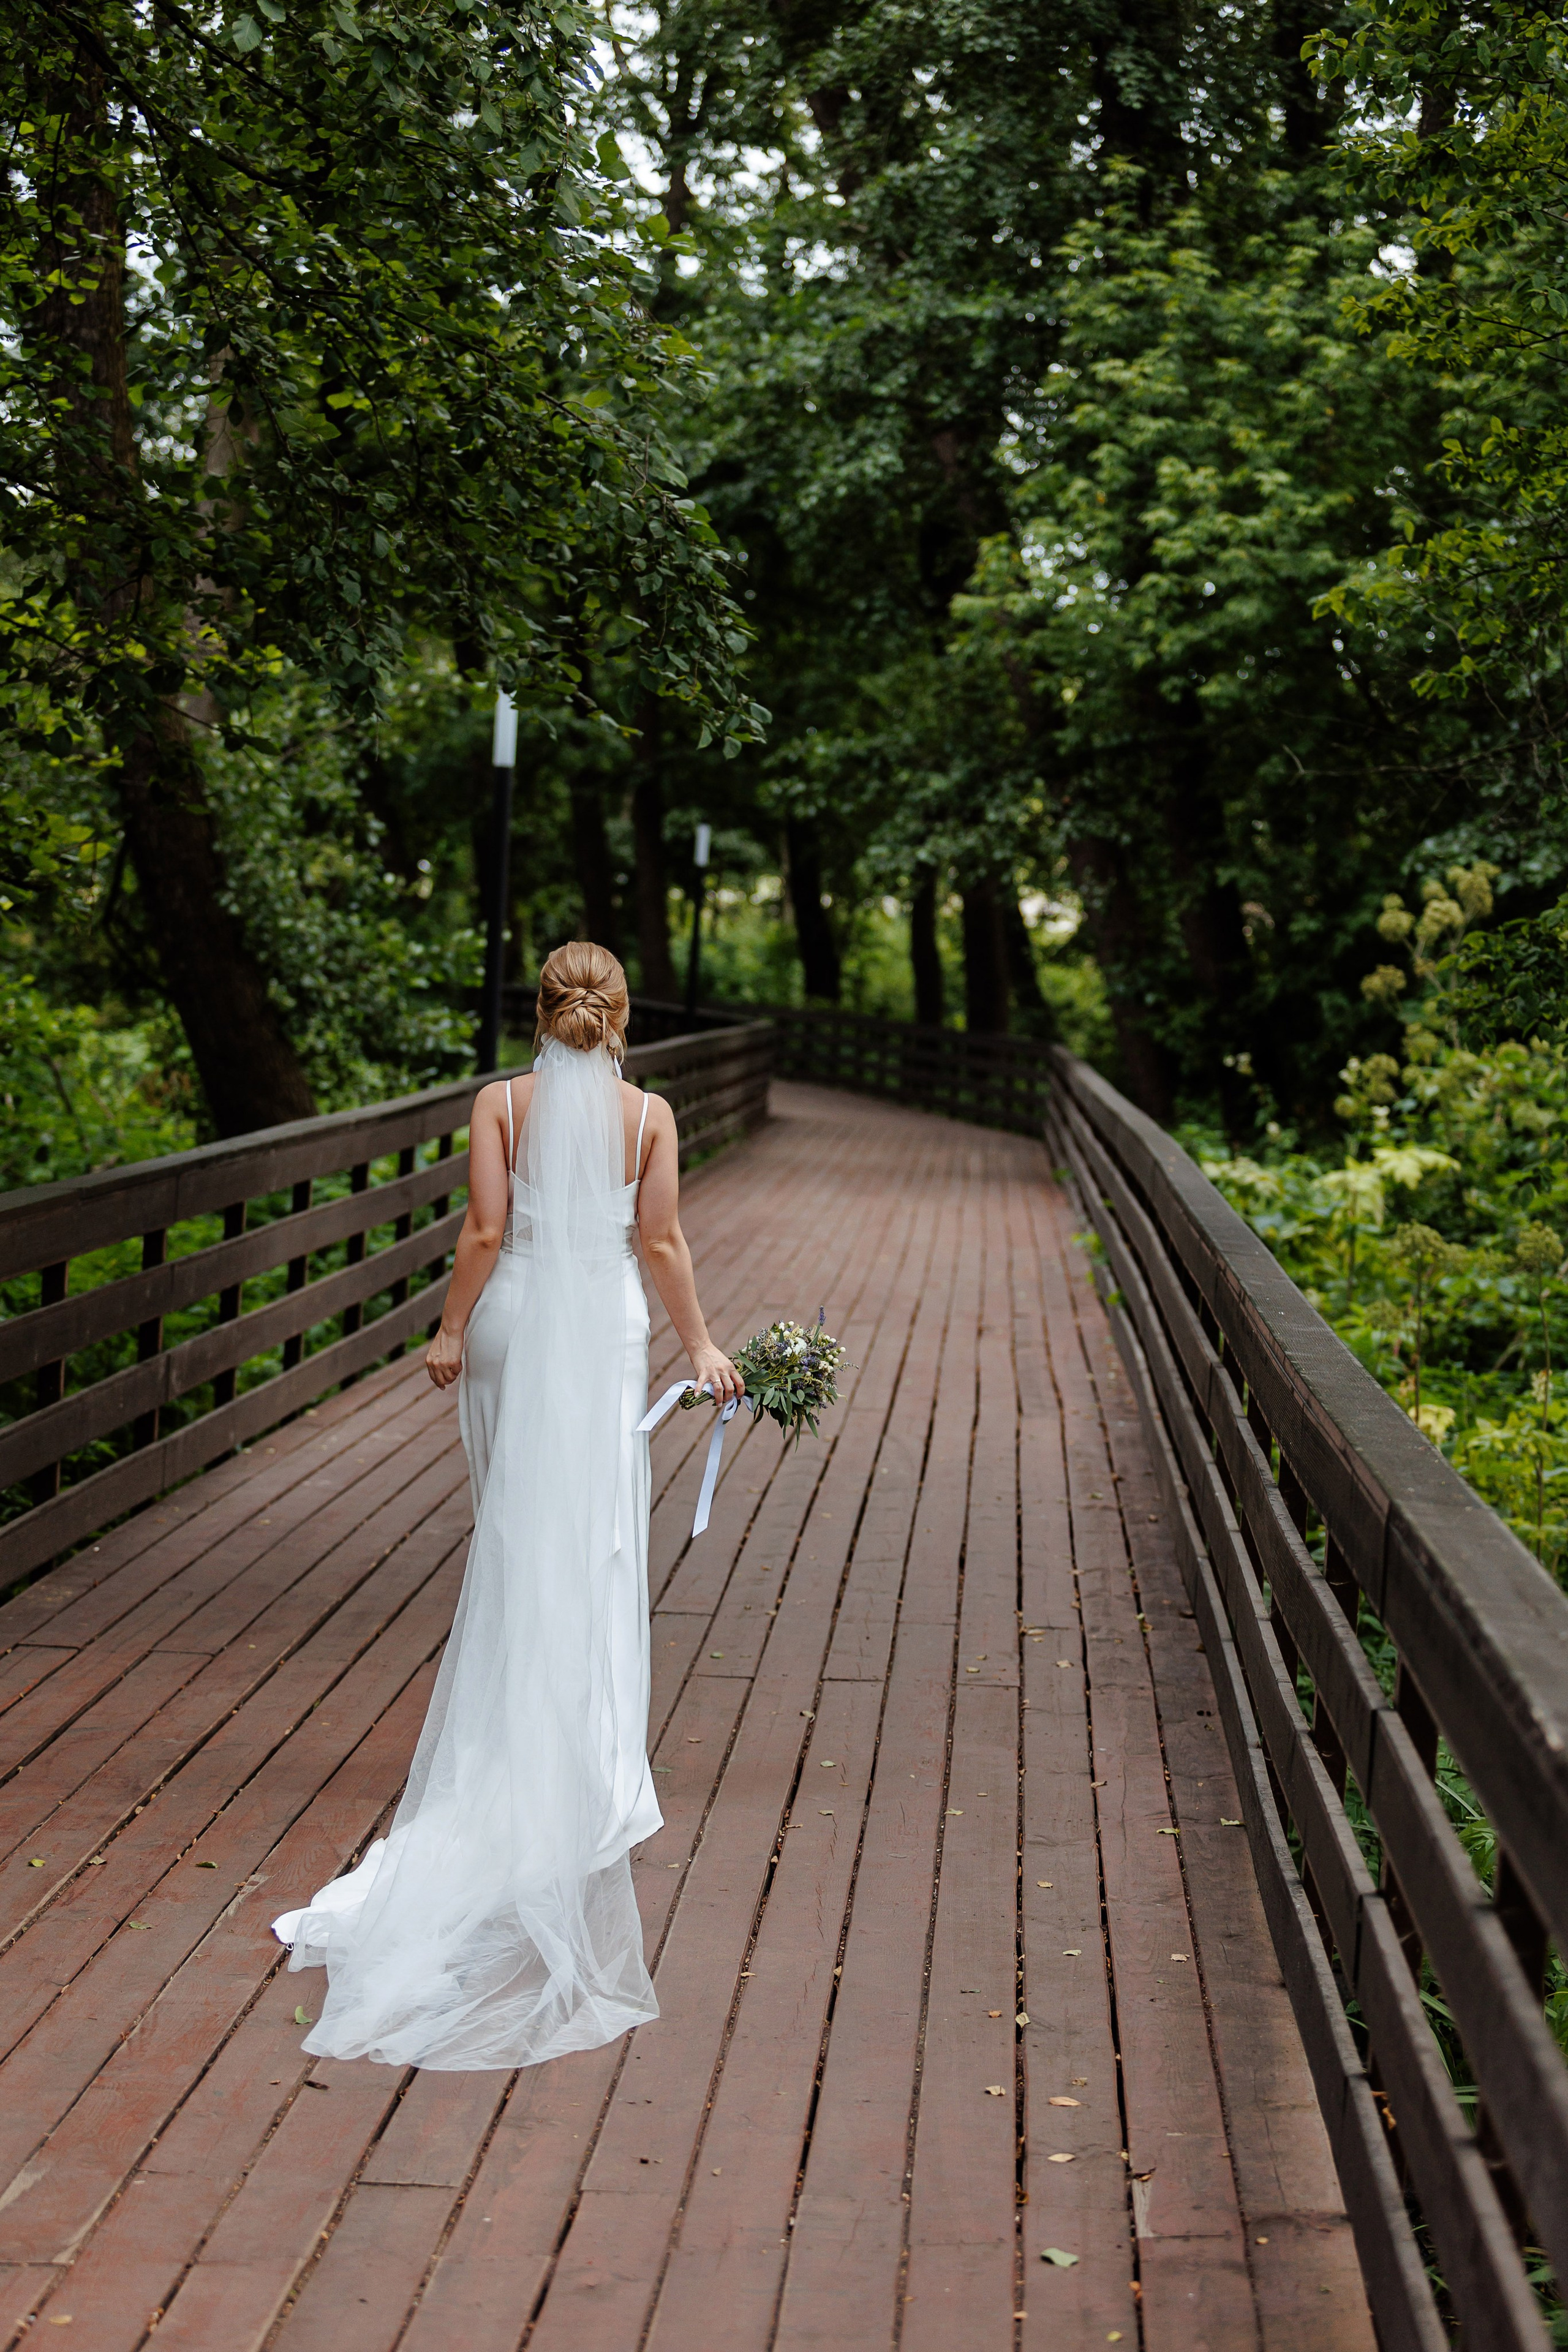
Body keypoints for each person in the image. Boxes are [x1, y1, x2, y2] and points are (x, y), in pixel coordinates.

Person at [271, 941, 743, 2068]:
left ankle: (508, 1747)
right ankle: (594, 1763)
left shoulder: (499, 1102)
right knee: (600, 1537)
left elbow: (484, 1232)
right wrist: (701, 1345)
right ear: (621, 1015)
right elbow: (659, 1239)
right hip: (606, 1329)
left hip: (515, 1321)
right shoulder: (650, 1116)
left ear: (538, 1011)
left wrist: (447, 1330)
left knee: (514, 1532)